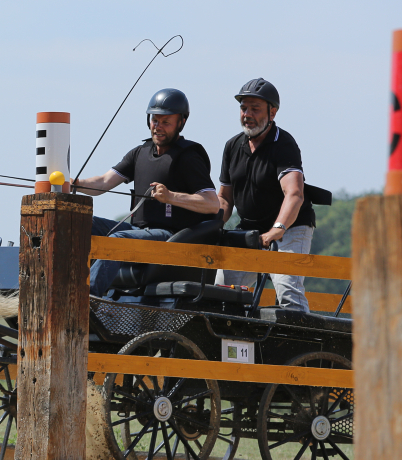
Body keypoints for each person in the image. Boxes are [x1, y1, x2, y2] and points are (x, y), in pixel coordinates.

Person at [75, 88, 220, 297]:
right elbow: (104, 182)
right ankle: (64, 285)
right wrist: (74, 184)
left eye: (166, 122)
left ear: (181, 122)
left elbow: (212, 203)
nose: (158, 127)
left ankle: (87, 299)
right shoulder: (140, 152)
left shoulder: (188, 157)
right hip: (139, 231)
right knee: (78, 221)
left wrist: (171, 197)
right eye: (155, 120)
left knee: (117, 240)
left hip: (169, 237)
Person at [216, 78, 315, 312]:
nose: (247, 114)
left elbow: (295, 194)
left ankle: (303, 346)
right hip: (250, 229)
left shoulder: (284, 144)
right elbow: (225, 199)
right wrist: (213, 228)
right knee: (221, 291)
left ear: (273, 112)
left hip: (291, 226)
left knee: (287, 289)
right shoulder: (232, 146)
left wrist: (277, 229)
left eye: (255, 108)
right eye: (243, 108)